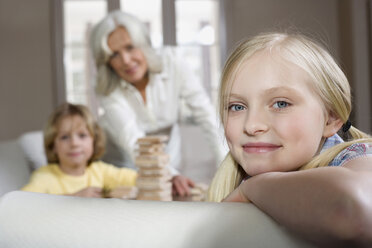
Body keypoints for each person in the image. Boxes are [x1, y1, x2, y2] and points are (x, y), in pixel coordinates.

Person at [207, 32, 372, 246]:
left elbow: (352, 212)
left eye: (281, 104)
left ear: (331, 118)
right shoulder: (232, 179)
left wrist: (254, 188)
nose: (252, 125)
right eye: (237, 107)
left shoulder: (357, 158)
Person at [90, 10, 226, 196]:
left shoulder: (173, 61)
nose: (126, 61)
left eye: (130, 47)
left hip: (169, 163)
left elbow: (206, 114)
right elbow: (133, 141)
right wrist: (169, 175)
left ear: (144, 44)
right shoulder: (107, 89)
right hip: (123, 169)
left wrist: (226, 167)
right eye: (114, 54)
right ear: (106, 62)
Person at [22, 103, 137, 198]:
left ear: (94, 140)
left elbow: (137, 179)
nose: (74, 143)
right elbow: (20, 202)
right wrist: (73, 197)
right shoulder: (45, 176)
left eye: (82, 135)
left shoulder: (100, 171)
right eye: (64, 137)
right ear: (53, 146)